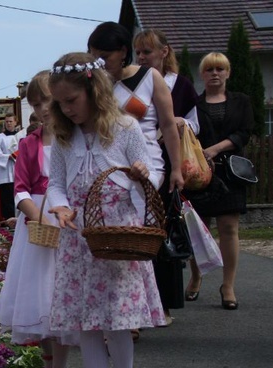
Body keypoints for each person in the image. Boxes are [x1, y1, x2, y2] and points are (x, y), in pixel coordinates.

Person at [46, 53, 166, 368]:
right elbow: (56, 183)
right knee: (86, 322)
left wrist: (142, 175)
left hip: (119, 238)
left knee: (117, 319)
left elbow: (151, 173)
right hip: (79, 239)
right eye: (60, 103)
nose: (66, 109)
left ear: (93, 92)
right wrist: (61, 208)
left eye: (72, 101)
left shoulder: (126, 127)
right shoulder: (64, 138)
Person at [88, 21, 183, 340]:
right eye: (93, 56)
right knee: (110, 240)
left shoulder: (150, 77)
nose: (98, 62)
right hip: (109, 163)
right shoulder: (95, 83)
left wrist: (177, 168)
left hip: (147, 165)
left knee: (134, 241)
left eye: (104, 56)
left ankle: (132, 314)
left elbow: (169, 126)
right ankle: (119, 310)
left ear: (122, 53)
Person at [0, 71, 75, 368]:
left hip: (68, 221)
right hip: (37, 225)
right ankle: (48, 354)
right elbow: (21, 187)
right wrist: (38, 217)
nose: (41, 109)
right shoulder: (28, 143)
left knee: (61, 299)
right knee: (41, 297)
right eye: (36, 103)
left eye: (46, 101)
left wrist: (62, 215)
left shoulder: (76, 139)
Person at [133, 28, 201, 325]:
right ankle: (138, 302)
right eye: (138, 51)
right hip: (140, 163)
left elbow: (197, 124)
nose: (142, 56)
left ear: (164, 51)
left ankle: (165, 303)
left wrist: (176, 122)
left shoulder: (180, 85)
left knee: (163, 234)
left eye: (147, 51)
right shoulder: (133, 84)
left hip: (166, 163)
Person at [186, 52, 253, 310]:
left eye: (220, 69)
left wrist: (215, 149)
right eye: (210, 69)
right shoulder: (193, 103)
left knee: (228, 229)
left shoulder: (241, 101)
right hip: (200, 173)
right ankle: (196, 276)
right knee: (198, 230)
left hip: (231, 173)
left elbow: (244, 133)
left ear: (228, 73)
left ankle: (228, 285)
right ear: (202, 74)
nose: (215, 73)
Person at [0, 112, 20, 222]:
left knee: (18, 199)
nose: (9, 124)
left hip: (17, 171)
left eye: (11, 121)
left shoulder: (19, 136)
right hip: (4, 172)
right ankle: (8, 223)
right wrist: (9, 156)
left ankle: (19, 222)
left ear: (15, 122)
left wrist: (16, 156)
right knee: (6, 200)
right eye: (7, 122)